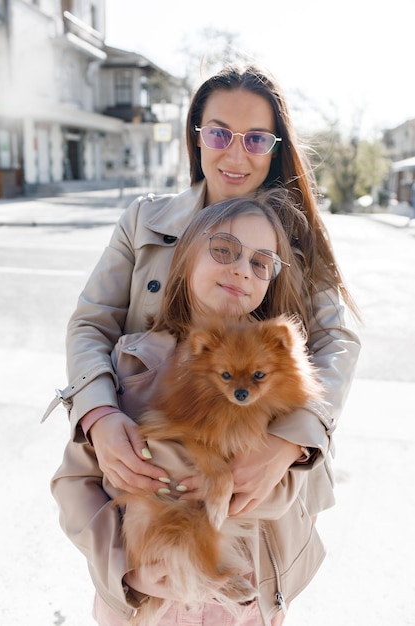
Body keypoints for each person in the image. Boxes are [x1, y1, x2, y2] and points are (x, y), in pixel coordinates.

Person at [44, 63, 361, 623]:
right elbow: (92, 323)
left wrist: (291, 444)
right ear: (196, 135)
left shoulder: (292, 239)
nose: (235, 155)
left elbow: (336, 341)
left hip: (248, 496)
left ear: (276, 146)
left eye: (256, 138)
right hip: (151, 463)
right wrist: (97, 414)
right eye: (218, 132)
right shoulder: (146, 220)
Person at [51, 191, 327, 626]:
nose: (241, 268)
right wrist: (126, 572)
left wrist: (269, 473)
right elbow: (74, 484)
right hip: (146, 600)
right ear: (184, 257)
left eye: (261, 262)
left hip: (242, 593)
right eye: (223, 250)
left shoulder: (280, 375)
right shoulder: (133, 361)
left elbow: (303, 490)